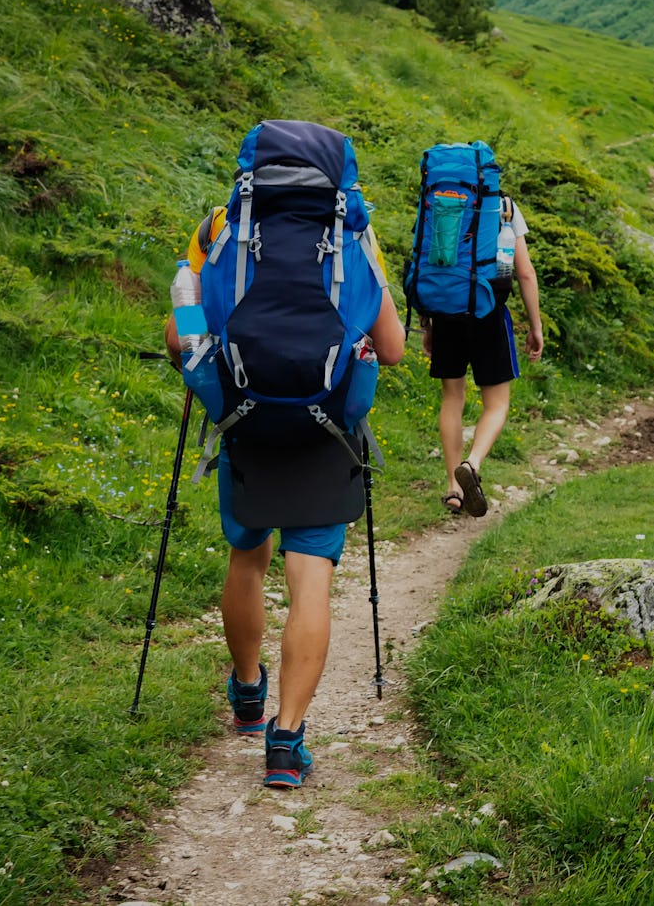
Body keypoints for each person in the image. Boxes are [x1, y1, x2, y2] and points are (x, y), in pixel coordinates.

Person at [165, 206, 404, 788]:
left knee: (247, 555)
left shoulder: (221, 225)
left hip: (246, 423)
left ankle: (248, 693)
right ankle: (286, 741)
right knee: (311, 575)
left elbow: (179, 337)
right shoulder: (354, 233)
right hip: (327, 430)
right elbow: (393, 349)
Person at [420, 201, 543, 518]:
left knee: (452, 398)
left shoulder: (440, 203)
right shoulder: (505, 207)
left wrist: (427, 322)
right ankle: (471, 465)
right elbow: (525, 273)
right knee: (497, 404)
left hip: (447, 310)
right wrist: (535, 326)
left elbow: (428, 262)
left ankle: (453, 488)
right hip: (489, 310)